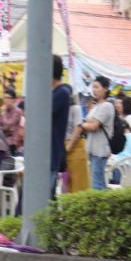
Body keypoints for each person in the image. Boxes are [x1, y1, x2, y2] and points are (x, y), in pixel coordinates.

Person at [78, 76, 115, 190]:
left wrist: (81, 125)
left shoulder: (106, 106)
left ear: (105, 89)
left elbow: (93, 126)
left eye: (97, 87)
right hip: (92, 149)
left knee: (97, 185)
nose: (94, 90)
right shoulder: (96, 106)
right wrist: (86, 124)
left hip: (100, 150)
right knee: (96, 181)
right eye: (93, 87)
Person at [50, 54, 72, 194]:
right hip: (48, 153)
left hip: (52, 153)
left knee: (44, 195)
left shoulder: (61, 93)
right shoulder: (56, 93)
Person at [0, 88, 23, 153]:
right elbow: (0, 127)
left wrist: (3, 114)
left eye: (7, 98)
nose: (5, 100)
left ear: (13, 100)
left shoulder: (17, 111)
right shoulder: (4, 110)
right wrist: (6, 128)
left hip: (12, 144)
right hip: (3, 141)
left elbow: (9, 125)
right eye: (4, 98)